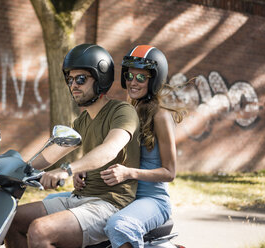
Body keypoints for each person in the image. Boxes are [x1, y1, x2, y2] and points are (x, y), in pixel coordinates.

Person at [4, 44, 140, 248]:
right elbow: (51, 154)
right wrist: (17, 170)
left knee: (40, 230)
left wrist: (67, 170)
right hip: (79, 198)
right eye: (70, 79)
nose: (74, 85)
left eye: (81, 79)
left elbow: (109, 149)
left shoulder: (122, 111)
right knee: (11, 220)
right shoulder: (81, 122)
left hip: (110, 204)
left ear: (101, 79)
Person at [54, 45, 184, 248]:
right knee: (57, 208)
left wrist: (129, 173)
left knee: (119, 226)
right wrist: (83, 171)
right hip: (120, 194)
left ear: (155, 80)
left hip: (151, 199)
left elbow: (169, 172)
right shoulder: (124, 111)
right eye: (130, 76)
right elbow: (108, 151)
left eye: (141, 78)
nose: (133, 82)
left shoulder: (161, 116)